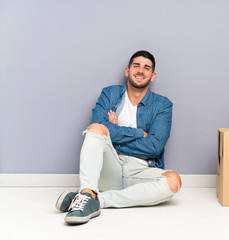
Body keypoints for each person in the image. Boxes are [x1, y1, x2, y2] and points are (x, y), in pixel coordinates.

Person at [55, 50, 181, 225]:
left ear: (152, 76)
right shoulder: (109, 93)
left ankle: (93, 198)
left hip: (140, 170)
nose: (140, 71)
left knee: (174, 181)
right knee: (97, 128)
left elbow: (154, 147)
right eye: (136, 66)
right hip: (110, 166)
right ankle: (87, 192)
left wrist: (115, 134)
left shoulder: (163, 104)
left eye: (146, 68)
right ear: (127, 71)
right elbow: (97, 127)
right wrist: (138, 133)